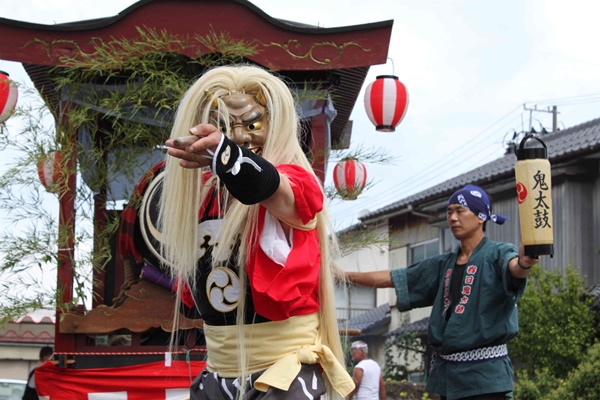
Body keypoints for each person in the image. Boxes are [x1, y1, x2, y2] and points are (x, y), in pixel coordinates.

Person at [158, 64, 354, 399]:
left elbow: (265, 185)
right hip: (218, 372)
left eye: (252, 124)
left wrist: (224, 153)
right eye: (222, 127)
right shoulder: (204, 196)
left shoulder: (294, 183)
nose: (239, 137)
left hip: (283, 371)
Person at [346, 184, 540, 400]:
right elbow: (393, 277)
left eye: (460, 210)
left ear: (481, 217)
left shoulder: (498, 253)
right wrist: (343, 276)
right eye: (449, 212)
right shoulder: (442, 264)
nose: (453, 218)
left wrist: (524, 263)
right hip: (449, 377)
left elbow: (514, 268)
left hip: (486, 379)